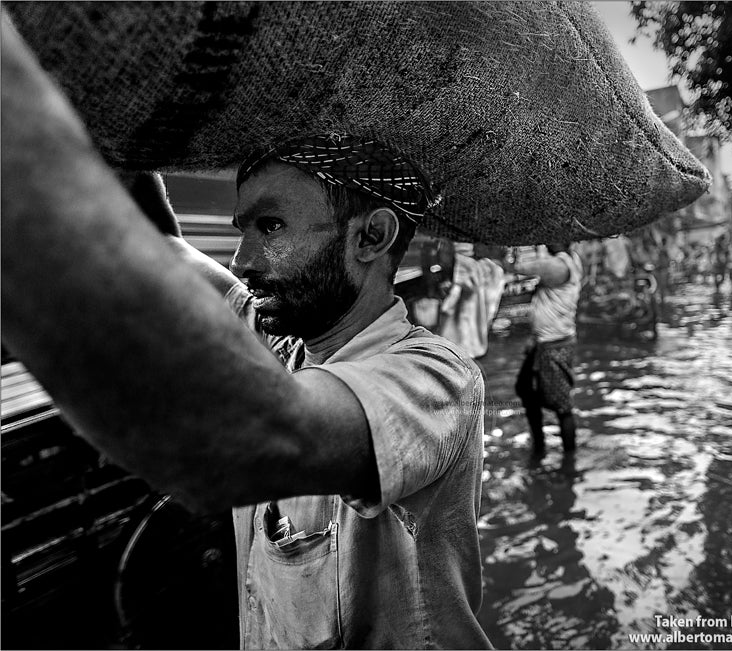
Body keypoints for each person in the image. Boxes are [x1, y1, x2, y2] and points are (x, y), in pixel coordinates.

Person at [1, 22, 491, 649]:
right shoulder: (281, 340)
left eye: (270, 226)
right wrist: (99, 110)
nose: (241, 259)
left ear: (371, 237)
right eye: (242, 228)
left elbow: (235, 443)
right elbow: (161, 245)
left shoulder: (435, 382)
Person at [513, 243, 583, 457]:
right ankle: (539, 447)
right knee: (526, 390)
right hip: (544, 343)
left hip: (554, 345)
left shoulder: (560, 266)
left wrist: (506, 261)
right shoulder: (566, 262)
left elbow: (523, 268)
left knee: (562, 405)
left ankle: (568, 458)